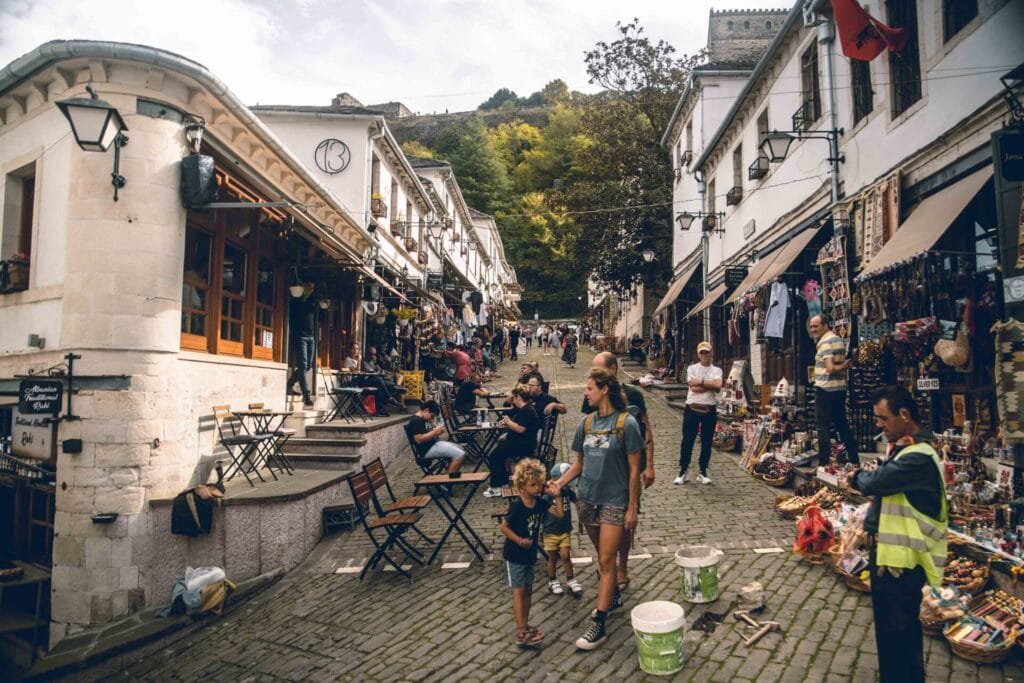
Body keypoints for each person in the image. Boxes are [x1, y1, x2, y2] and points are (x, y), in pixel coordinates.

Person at [841, 386, 947, 683]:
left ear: (904, 414)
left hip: (903, 564)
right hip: (890, 558)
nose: (878, 424)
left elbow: (876, 481)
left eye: (883, 418)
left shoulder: (918, 457)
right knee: (892, 637)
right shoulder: (904, 448)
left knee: (899, 636)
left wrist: (857, 477)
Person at [554, 368, 643, 650]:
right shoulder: (587, 423)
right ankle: (614, 594)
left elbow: (633, 471)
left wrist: (632, 507)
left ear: (604, 390)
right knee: (602, 556)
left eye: (589, 388)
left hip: (614, 502)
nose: (585, 392)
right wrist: (558, 483)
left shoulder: (627, 424)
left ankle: (599, 624)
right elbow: (578, 464)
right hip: (587, 499)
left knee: (606, 563)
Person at [583, 351, 655, 591]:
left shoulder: (634, 395)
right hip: (604, 470)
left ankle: (621, 565)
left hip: (629, 470)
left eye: (599, 369)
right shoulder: (592, 397)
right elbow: (591, 428)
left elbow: (647, 431)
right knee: (601, 523)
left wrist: (650, 466)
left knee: (626, 522)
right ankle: (607, 564)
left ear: (612, 370)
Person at [500, 458, 564, 648]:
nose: (537, 488)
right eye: (533, 485)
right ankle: (520, 630)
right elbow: (504, 527)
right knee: (519, 592)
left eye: (539, 484)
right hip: (515, 555)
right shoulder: (517, 506)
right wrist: (519, 540)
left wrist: (557, 495)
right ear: (522, 485)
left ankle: (525, 624)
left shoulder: (538, 502)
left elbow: (559, 514)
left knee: (528, 590)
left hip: (529, 555)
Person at [809, 314, 860, 467]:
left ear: (825, 325)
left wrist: (844, 366)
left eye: (816, 326)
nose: (813, 329)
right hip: (839, 389)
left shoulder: (825, 342)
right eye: (811, 326)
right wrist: (845, 365)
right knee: (842, 424)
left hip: (825, 389)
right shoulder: (838, 340)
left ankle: (823, 464)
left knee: (822, 427)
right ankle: (855, 459)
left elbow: (830, 368)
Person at [676, 341, 723, 485]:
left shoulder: (717, 370)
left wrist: (701, 382)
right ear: (698, 354)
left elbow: (718, 385)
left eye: (707, 352)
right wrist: (710, 385)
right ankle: (683, 470)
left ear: (711, 353)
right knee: (687, 440)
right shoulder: (692, 369)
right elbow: (693, 387)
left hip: (709, 409)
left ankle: (703, 471)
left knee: (706, 441)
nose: (704, 355)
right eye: (702, 352)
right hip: (692, 408)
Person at [484, 385, 541, 498]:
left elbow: (520, 429)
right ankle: (503, 482)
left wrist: (508, 422)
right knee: (499, 452)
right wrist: (507, 430)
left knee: (493, 457)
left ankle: (496, 487)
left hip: (524, 444)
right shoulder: (525, 409)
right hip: (521, 442)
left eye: (514, 398)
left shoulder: (527, 410)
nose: (513, 401)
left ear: (518, 397)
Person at [544, 462, 583, 596]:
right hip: (550, 531)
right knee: (552, 558)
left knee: (566, 556)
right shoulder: (548, 494)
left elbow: (577, 500)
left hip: (564, 529)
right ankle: (552, 580)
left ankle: (570, 579)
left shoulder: (567, 491)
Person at [405, 401, 466, 473]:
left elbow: (428, 433)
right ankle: (447, 481)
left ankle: (451, 474)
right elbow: (419, 439)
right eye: (432, 416)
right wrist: (434, 432)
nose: (431, 418)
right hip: (427, 450)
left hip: (433, 445)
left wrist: (436, 430)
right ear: (426, 410)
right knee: (460, 455)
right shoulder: (416, 421)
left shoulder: (423, 419)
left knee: (461, 449)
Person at [285, 282, 317, 406]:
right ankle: (306, 395)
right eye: (309, 287)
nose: (311, 290)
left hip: (311, 336)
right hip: (300, 336)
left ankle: (289, 385)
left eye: (312, 288)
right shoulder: (296, 301)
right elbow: (292, 318)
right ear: (303, 287)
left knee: (308, 366)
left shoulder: (312, 301)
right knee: (303, 365)